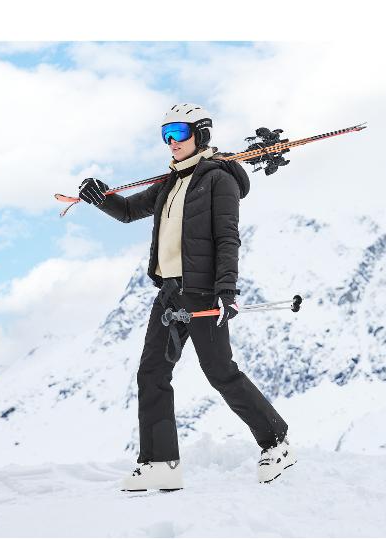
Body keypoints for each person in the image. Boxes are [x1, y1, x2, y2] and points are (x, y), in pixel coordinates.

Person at [78, 103, 295, 491]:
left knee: (220, 372)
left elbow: (228, 237)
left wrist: (226, 290)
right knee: (152, 373)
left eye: (179, 132)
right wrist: (100, 198)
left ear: (202, 133)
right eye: (165, 134)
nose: (171, 141)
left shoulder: (219, 180)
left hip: (203, 291)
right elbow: (128, 210)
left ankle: (276, 441)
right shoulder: (170, 183)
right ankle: (161, 462)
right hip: (170, 291)